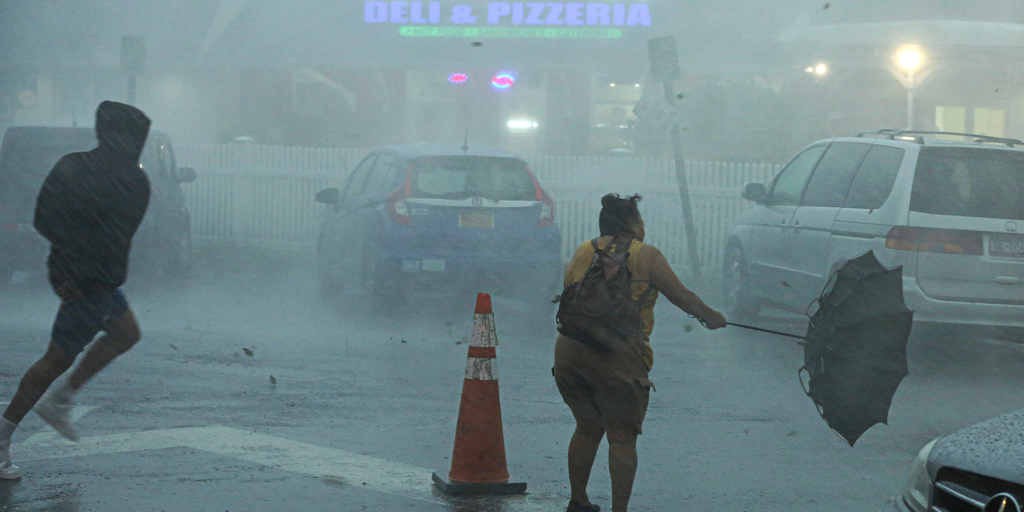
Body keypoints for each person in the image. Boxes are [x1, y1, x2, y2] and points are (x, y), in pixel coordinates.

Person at [0, 101, 152, 480]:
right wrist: (76, 274)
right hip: (89, 282)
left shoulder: (77, 166)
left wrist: (64, 266)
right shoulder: (130, 178)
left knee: (126, 333)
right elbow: (110, 234)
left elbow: (45, 219)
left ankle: (60, 400)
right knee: (56, 360)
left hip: (89, 278)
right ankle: (11, 431)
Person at [553, 193, 727, 512]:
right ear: (631, 224)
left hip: (570, 352)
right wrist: (712, 317)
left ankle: (578, 501)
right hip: (617, 356)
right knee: (621, 437)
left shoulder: (582, 251)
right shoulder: (645, 255)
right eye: (640, 221)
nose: (643, 226)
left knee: (587, 426)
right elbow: (683, 297)